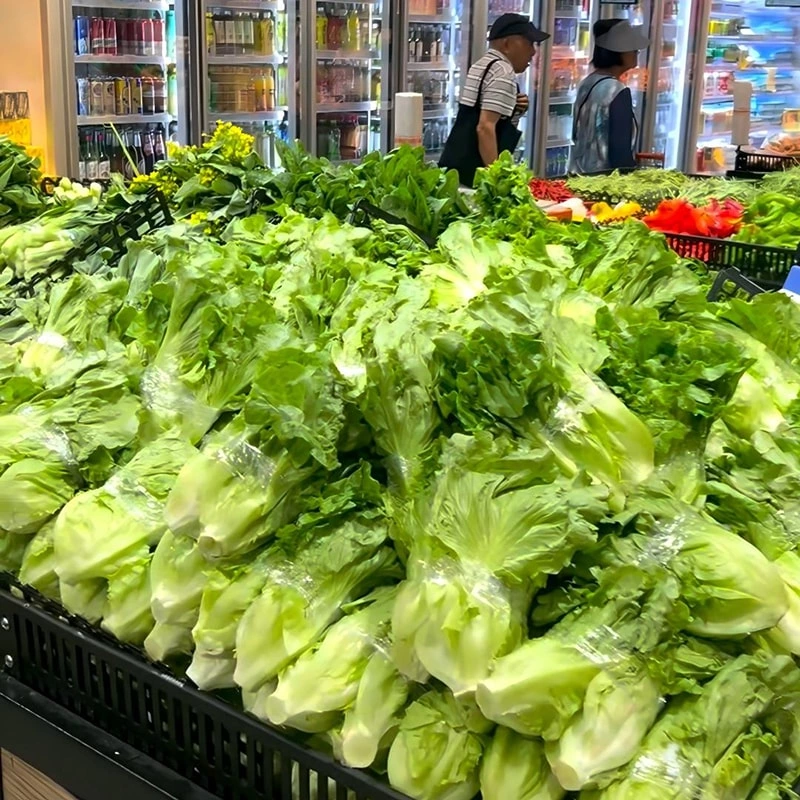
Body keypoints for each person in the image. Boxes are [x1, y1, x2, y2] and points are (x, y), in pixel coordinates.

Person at [439, 13, 550, 187]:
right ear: (507, 44)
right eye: (529, 43)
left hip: (456, 170)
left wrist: (514, 109)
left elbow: (480, 107)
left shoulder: (482, 64)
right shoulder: (503, 72)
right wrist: (496, 179)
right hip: (474, 177)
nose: (533, 52)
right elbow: (485, 127)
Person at [568, 19, 650, 175]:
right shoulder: (617, 90)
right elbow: (619, 149)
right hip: (605, 180)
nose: (637, 54)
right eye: (633, 50)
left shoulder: (587, 83)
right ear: (620, 53)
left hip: (579, 175)